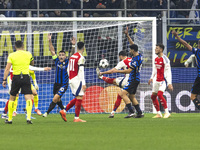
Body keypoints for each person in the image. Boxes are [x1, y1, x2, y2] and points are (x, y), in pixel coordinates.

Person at [43, 34, 76, 122]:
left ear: (65, 56)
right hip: (56, 84)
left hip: (64, 84)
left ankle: (47, 112)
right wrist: (49, 40)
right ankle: (63, 110)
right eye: (60, 55)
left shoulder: (68, 62)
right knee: (57, 99)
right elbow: (52, 50)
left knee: (55, 98)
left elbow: (72, 53)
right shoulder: (56, 60)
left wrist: (73, 45)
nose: (61, 56)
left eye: (63, 55)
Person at [2, 40, 34, 124]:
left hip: (16, 77)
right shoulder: (28, 54)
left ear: (15, 47)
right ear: (23, 46)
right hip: (26, 76)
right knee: (28, 98)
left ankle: (9, 119)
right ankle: (28, 118)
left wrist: (4, 79)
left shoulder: (12, 55)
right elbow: (32, 63)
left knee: (12, 98)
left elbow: (7, 68)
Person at [113, 44, 144, 118]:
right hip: (136, 79)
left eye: (130, 50)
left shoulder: (135, 60)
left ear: (133, 50)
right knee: (131, 96)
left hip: (133, 79)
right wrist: (127, 36)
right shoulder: (139, 55)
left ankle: (131, 111)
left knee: (122, 94)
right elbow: (133, 44)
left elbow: (129, 70)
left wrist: (118, 71)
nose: (129, 51)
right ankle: (139, 112)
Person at [172, 30, 200, 110]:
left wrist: (177, 36)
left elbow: (186, 44)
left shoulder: (197, 51)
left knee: (193, 96)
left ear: (198, 45)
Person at [148, 43, 173, 118]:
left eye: (157, 48)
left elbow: (168, 72)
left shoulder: (165, 59)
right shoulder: (156, 59)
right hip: (156, 80)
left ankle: (167, 112)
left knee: (159, 94)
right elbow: (155, 69)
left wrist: (169, 83)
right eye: (155, 48)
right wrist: (151, 77)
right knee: (153, 96)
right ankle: (159, 113)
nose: (155, 49)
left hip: (163, 80)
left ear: (161, 49)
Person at [64, 41, 87, 122]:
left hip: (71, 78)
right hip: (77, 79)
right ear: (84, 48)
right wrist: (83, 83)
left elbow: (68, 68)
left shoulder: (72, 56)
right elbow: (81, 71)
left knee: (78, 97)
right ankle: (76, 118)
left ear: (77, 47)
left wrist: (70, 77)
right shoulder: (81, 58)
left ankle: (64, 110)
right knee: (80, 97)